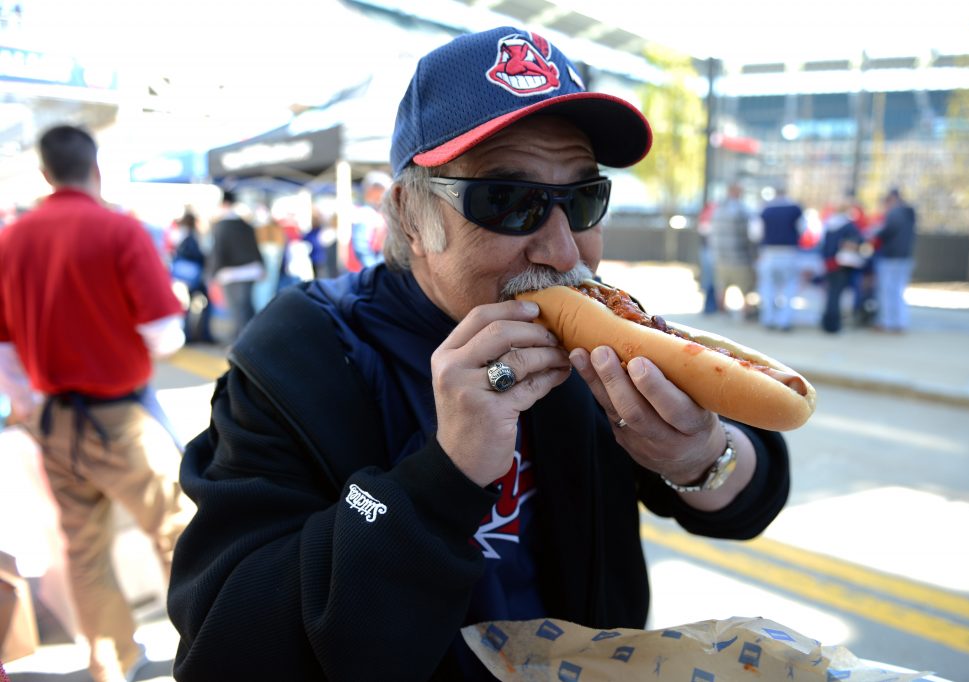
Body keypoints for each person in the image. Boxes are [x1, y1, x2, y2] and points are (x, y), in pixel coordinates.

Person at [167, 28, 790, 681]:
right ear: (412, 215)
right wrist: (442, 478)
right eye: (509, 201)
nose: (562, 251)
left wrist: (699, 458)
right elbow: (226, 645)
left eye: (582, 200)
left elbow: (754, 494)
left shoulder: (599, 320)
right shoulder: (301, 353)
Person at [0, 124, 195, 682]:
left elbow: (4, 345)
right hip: (120, 415)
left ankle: (110, 663)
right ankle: (205, 645)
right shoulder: (118, 229)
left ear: (44, 174)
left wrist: (31, 404)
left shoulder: (11, 238)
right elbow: (164, 333)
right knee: (178, 528)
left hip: (53, 417)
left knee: (84, 548)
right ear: (96, 169)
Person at [208, 189, 264, 342]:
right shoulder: (245, 224)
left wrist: (212, 273)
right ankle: (254, 337)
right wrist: (261, 266)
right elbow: (255, 246)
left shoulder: (221, 226)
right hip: (251, 270)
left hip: (231, 273)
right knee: (247, 306)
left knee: (237, 309)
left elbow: (218, 251)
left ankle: (243, 341)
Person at [756, 186, 805, 331]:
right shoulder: (795, 209)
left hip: (769, 252)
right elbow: (803, 229)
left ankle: (768, 319)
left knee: (767, 286)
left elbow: (756, 233)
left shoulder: (765, 210)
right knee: (789, 287)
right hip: (789, 252)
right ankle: (785, 321)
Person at [709, 182, 758, 318]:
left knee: (722, 286)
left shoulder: (717, 209)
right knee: (746, 288)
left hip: (720, 257)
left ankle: (722, 313)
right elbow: (750, 235)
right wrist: (753, 254)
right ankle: (746, 313)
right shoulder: (742, 210)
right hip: (739, 257)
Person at [819, 193, 865, 334]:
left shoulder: (830, 223)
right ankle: (833, 324)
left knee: (831, 293)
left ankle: (828, 321)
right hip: (841, 263)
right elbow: (858, 241)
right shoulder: (848, 225)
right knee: (836, 295)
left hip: (830, 262)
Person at [872, 188, 916, 333]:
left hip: (891, 257)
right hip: (904, 257)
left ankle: (887, 322)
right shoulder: (908, 214)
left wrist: (874, 232)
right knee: (897, 291)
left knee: (887, 291)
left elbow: (885, 232)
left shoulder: (895, 213)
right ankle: (899, 322)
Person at [171, 210, 215, 344]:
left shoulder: (179, 234)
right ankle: (199, 334)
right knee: (201, 304)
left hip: (183, 276)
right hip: (194, 276)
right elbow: (196, 255)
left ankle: (189, 334)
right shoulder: (192, 236)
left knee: (187, 305)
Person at [345, 170, 392, 272]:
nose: (381, 194)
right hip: (364, 270)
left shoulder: (382, 212)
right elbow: (361, 247)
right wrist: (375, 270)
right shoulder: (363, 213)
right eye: (378, 189)